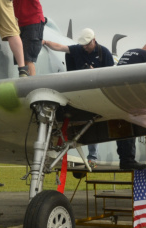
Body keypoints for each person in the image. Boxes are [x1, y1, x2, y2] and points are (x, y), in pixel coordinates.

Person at [43, 28, 114, 165]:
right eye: (83, 45)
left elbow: (111, 73)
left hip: (96, 92)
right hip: (80, 92)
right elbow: (60, 47)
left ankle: (92, 156)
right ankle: (63, 151)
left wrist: (96, 72)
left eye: (87, 44)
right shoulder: (77, 49)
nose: (85, 47)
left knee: (93, 121)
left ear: (94, 40)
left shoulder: (103, 52)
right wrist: (45, 42)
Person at [114, 40, 146, 170]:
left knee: (122, 129)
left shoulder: (128, 52)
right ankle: (128, 160)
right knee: (130, 128)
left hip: (117, 93)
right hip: (130, 95)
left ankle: (124, 160)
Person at [7, 0, 46, 76]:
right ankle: (24, 82)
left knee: (27, 59)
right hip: (18, 24)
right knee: (21, 59)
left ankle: (30, 85)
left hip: (33, 23)